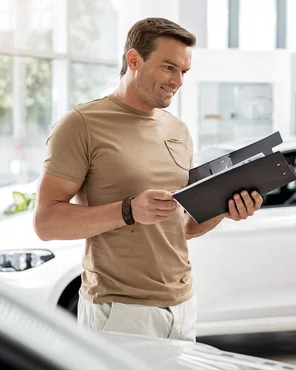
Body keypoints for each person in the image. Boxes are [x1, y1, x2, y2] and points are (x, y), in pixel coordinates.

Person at [33, 17, 263, 342]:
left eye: (183, 71)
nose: (178, 81)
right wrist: (129, 210)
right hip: (118, 311)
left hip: (183, 307)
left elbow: (181, 227)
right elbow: (46, 222)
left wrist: (225, 209)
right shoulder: (81, 124)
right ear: (134, 60)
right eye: (169, 67)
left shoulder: (178, 131)